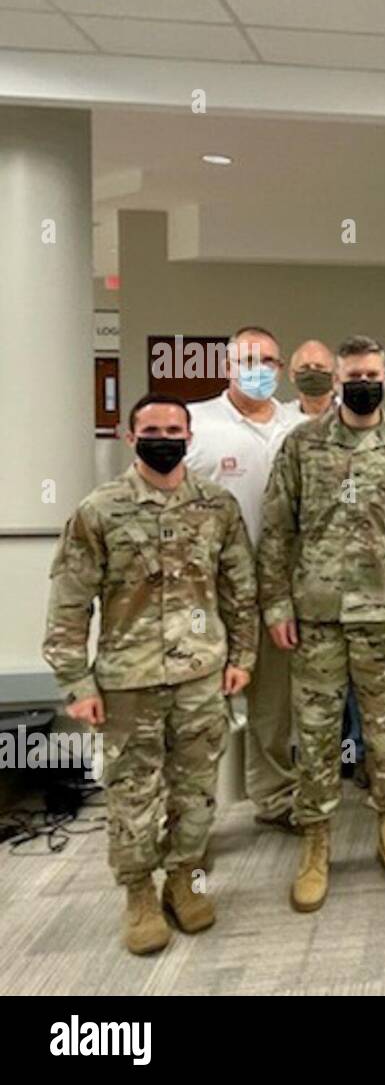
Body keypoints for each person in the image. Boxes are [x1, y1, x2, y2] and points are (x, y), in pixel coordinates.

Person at [43, 393, 258, 955]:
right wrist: (77, 682)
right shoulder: (100, 509)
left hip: (201, 675)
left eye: (174, 428)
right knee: (132, 793)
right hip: (127, 681)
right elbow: (69, 603)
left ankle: (183, 879)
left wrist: (242, 658)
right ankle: (138, 894)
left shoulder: (217, 505)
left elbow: (240, 589)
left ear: (190, 437)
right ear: (129, 436)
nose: (164, 437)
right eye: (152, 429)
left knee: (195, 790)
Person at [259, 334, 385, 912]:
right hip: (316, 617)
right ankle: (315, 846)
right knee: (316, 738)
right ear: (338, 380)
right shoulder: (302, 443)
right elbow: (276, 529)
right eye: (354, 375)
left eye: (372, 374)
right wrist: (275, 605)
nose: (363, 383)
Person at [186, 325, 301, 834]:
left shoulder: (298, 425)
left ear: (281, 369)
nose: (258, 370)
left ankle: (274, 798)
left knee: (273, 706)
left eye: (269, 361)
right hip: (209, 591)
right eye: (247, 359)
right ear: (227, 365)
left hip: (279, 590)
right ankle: (194, 820)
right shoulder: (194, 423)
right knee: (201, 711)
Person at [287, 338, 337, 422]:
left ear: (335, 375)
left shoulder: (352, 415)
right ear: (292, 375)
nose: (312, 373)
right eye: (305, 367)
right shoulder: (282, 417)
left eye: (319, 367)